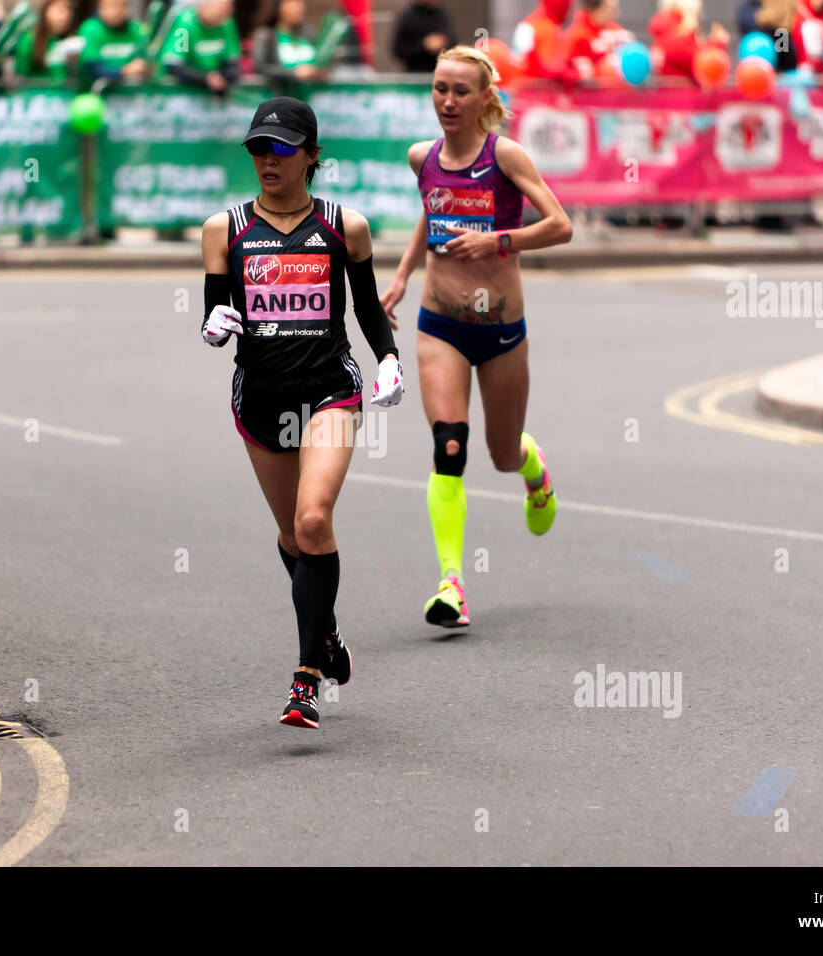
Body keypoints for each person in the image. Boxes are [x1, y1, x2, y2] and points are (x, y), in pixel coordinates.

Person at [199, 96, 404, 729]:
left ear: (312, 156)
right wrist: (211, 324)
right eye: (258, 148)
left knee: (314, 520)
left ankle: (306, 677)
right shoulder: (224, 229)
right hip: (260, 395)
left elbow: (367, 309)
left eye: (282, 148)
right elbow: (214, 308)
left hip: (328, 389)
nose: (268, 160)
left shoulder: (346, 225)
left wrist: (389, 359)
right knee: (292, 536)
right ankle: (329, 632)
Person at [380, 46, 572, 629]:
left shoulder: (504, 156)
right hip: (441, 323)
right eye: (439, 89)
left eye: (461, 91)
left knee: (500, 451)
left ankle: (533, 467)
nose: (447, 101)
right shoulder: (423, 157)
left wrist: (497, 241)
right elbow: (430, 212)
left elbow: (561, 226)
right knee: (450, 447)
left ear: (485, 98)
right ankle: (451, 584)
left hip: (502, 330)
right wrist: (403, 273)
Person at [157, 0, 240, 93]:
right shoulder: (186, 23)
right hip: (181, 89)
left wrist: (223, 78)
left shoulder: (226, 24)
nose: (227, 13)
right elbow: (173, 64)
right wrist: (206, 78)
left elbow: (232, 61)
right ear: (204, 7)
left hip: (211, 91)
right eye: (222, 9)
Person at [553, 0, 634, 84]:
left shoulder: (615, 29)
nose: (616, 15)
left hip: (618, 90)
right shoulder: (576, 35)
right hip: (590, 92)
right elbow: (565, 70)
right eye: (610, 10)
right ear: (594, 10)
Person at [648, 0, 728, 81]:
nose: (701, 17)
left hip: (667, 91)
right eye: (697, 14)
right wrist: (717, 44)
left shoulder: (664, 36)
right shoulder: (678, 39)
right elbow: (701, 62)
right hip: (681, 92)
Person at [251, 0, 326, 85]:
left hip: (308, 94)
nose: (298, 9)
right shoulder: (266, 35)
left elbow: (321, 62)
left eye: (300, 5)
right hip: (279, 92)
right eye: (293, 5)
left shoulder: (308, 33)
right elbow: (261, 67)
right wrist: (293, 73)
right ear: (279, 7)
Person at [77, 0, 150, 83]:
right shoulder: (90, 29)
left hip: (131, 90)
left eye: (122, 5)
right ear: (99, 8)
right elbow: (93, 68)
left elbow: (147, 62)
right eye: (111, 5)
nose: (117, 11)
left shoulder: (138, 30)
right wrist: (123, 71)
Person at [15, 0, 81, 80]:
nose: (65, 16)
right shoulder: (29, 41)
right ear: (45, 10)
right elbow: (20, 78)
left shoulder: (71, 42)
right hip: (36, 90)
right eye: (60, 10)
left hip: (65, 91)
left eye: (69, 10)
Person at [512, 0, 571, 82]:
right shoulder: (549, 28)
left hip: (522, 84)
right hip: (539, 87)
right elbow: (550, 67)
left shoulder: (528, 23)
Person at [391, 0, 452, 74]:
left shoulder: (442, 14)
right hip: (416, 76)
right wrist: (424, 46)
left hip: (441, 72)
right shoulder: (407, 16)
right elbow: (398, 50)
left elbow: (453, 42)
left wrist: (444, 43)